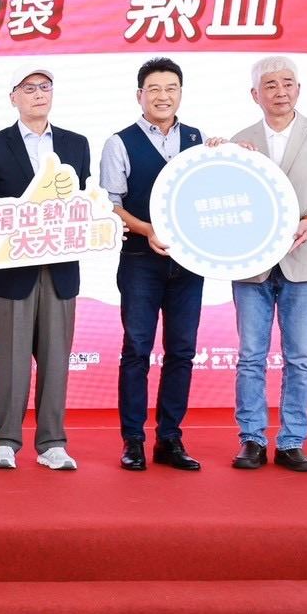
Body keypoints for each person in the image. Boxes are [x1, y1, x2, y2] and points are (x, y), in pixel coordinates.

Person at [0, 67, 88, 473]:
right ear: (13, 97)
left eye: (45, 87)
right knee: (9, 362)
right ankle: (4, 441)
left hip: (59, 271)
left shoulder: (76, 144)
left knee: (56, 361)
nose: (38, 94)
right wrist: (6, 234)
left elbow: (84, 203)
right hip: (10, 272)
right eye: (29, 88)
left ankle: (52, 443)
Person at [226, 57, 307, 473]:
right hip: (251, 264)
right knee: (250, 356)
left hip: (305, 259)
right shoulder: (239, 141)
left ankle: (293, 441)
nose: (280, 91)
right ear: (254, 94)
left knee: (299, 358)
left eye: (287, 83)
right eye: (270, 85)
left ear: (299, 88)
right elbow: (225, 196)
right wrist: (218, 157)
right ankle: (252, 439)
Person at [98, 57, 206, 472]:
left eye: (171, 88)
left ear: (181, 93)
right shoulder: (119, 142)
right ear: (139, 95)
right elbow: (110, 205)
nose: (163, 96)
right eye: (155, 89)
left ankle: (170, 439)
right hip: (140, 261)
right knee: (137, 350)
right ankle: (134, 440)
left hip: (189, 263)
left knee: (182, 352)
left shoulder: (198, 139)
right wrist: (147, 230)